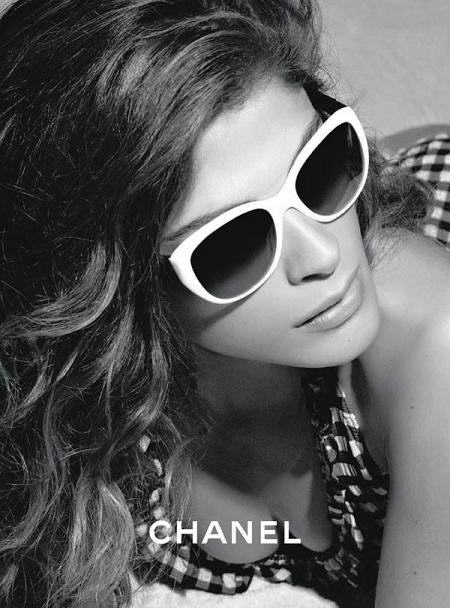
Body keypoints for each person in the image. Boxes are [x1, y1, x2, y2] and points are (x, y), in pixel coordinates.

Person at [0, 1, 449, 607]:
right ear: (113, 294)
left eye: (320, 164)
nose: (323, 253)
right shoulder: (74, 422)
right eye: (233, 241)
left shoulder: (434, 335)